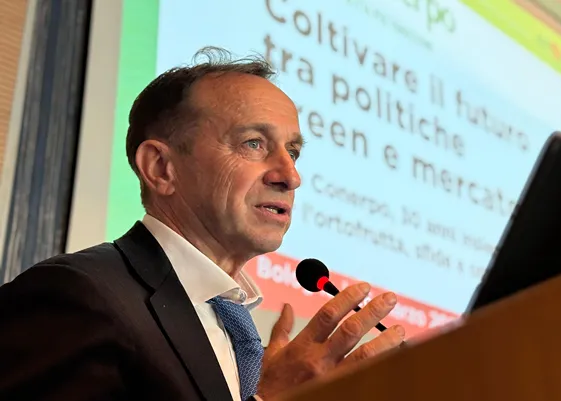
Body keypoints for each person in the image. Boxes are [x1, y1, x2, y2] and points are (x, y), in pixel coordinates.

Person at [0, 48, 405, 401]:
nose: (290, 176)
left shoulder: (238, 333)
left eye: (293, 152)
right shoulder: (75, 295)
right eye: (253, 143)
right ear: (161, 168)